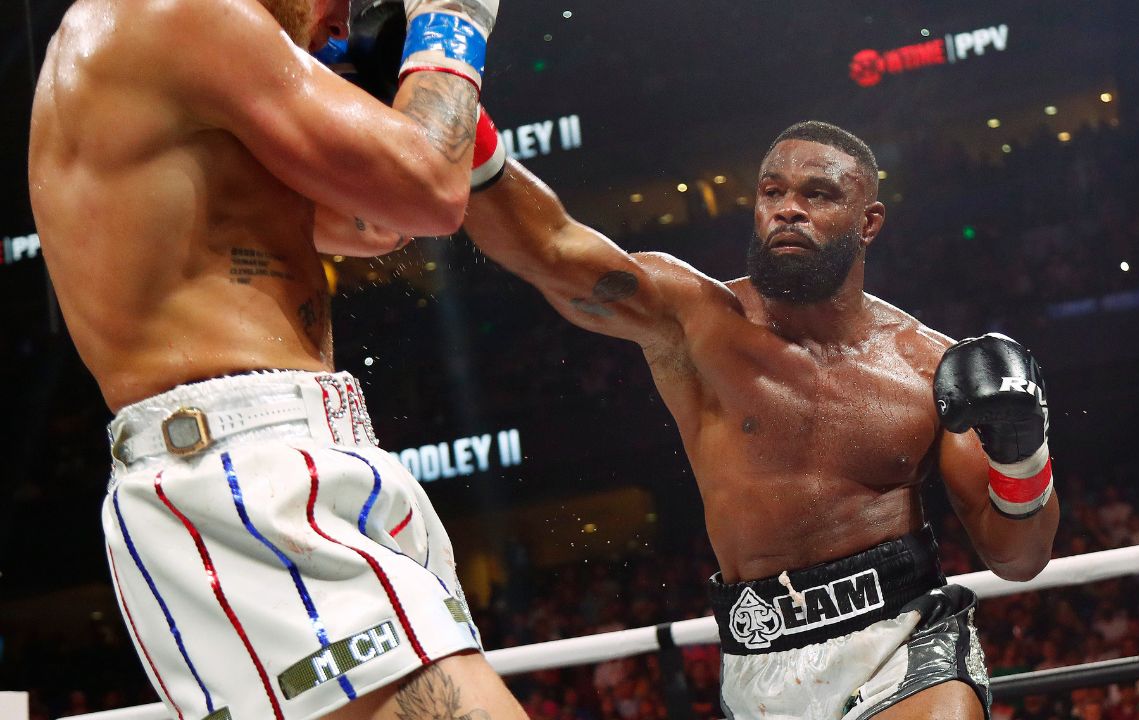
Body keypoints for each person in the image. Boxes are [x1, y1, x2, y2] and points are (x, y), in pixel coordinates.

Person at [462, 118, 1060, 719]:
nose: (788, 210)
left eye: (817, 195)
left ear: (868, 223)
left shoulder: (930, 366)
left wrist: (1022, 450)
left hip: (903, 642)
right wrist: (463, 125)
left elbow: (1018, 558)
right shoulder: (695, 320)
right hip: (757, 658)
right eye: (772, 192)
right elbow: (551, 248)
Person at [28, 0, 527, 717]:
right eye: (339, 1)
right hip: (239, 470)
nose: (339, 25)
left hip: (284, 455)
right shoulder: (180, 12)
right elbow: (427, 189)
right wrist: (453, 19)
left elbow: (378, 219)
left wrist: (395, 101)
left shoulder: (184, 64)